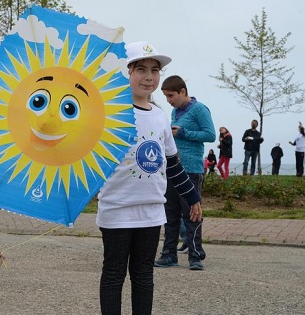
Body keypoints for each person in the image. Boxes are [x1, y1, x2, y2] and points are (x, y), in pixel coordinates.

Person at [96, 41, 201, 315]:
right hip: (117, 209)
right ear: (126, 73)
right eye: (140, 69)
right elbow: (90, 160)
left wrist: (192, 197)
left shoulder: (160, 116)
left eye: (155, 70)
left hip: (152, 211)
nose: (149, 76)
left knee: (144, 275)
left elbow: (172, 163)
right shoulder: (109, 114)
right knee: (114, 274)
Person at [155, 74, 215, 271]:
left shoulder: (200, 109)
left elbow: (210, 134)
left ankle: (195, 256)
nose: (169, 100)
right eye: (165, 97)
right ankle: (169, 254)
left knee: (192, 214)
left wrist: (183, 133)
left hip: (192, 169)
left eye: (171, 96)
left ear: (183, 91)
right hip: (172, 169)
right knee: (170, 214)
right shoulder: (175, 113)